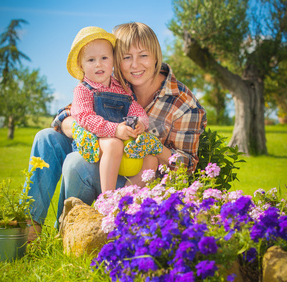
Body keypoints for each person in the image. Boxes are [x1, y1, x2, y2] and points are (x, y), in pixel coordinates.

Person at [26, 22, 207, 242]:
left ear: (156, 56)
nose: (134, 65)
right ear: (116, 59)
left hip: (136, 177)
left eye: (143, 56)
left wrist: (153, 145)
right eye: (126, 57)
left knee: (75, 162)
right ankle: (29, 228)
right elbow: (65, 116)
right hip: (105, 151)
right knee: (46, 137)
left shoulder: (184, 105)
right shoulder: (113, 81)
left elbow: (186, 168)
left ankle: (70, 229)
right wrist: (94, 133)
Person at [66, 26, 153, 193]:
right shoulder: (84, 90)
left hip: (121, 145)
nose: (98, 64)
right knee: (113, 144)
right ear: (81, 65)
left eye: (104, 58)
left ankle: (125, 197)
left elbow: (136, 109)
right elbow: (84, 117)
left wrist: (141, 122)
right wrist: (114, 129)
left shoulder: (122, 88)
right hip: (95, 143)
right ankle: (108, 196)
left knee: (151, 159)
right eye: (91, 60)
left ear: (113, 60)